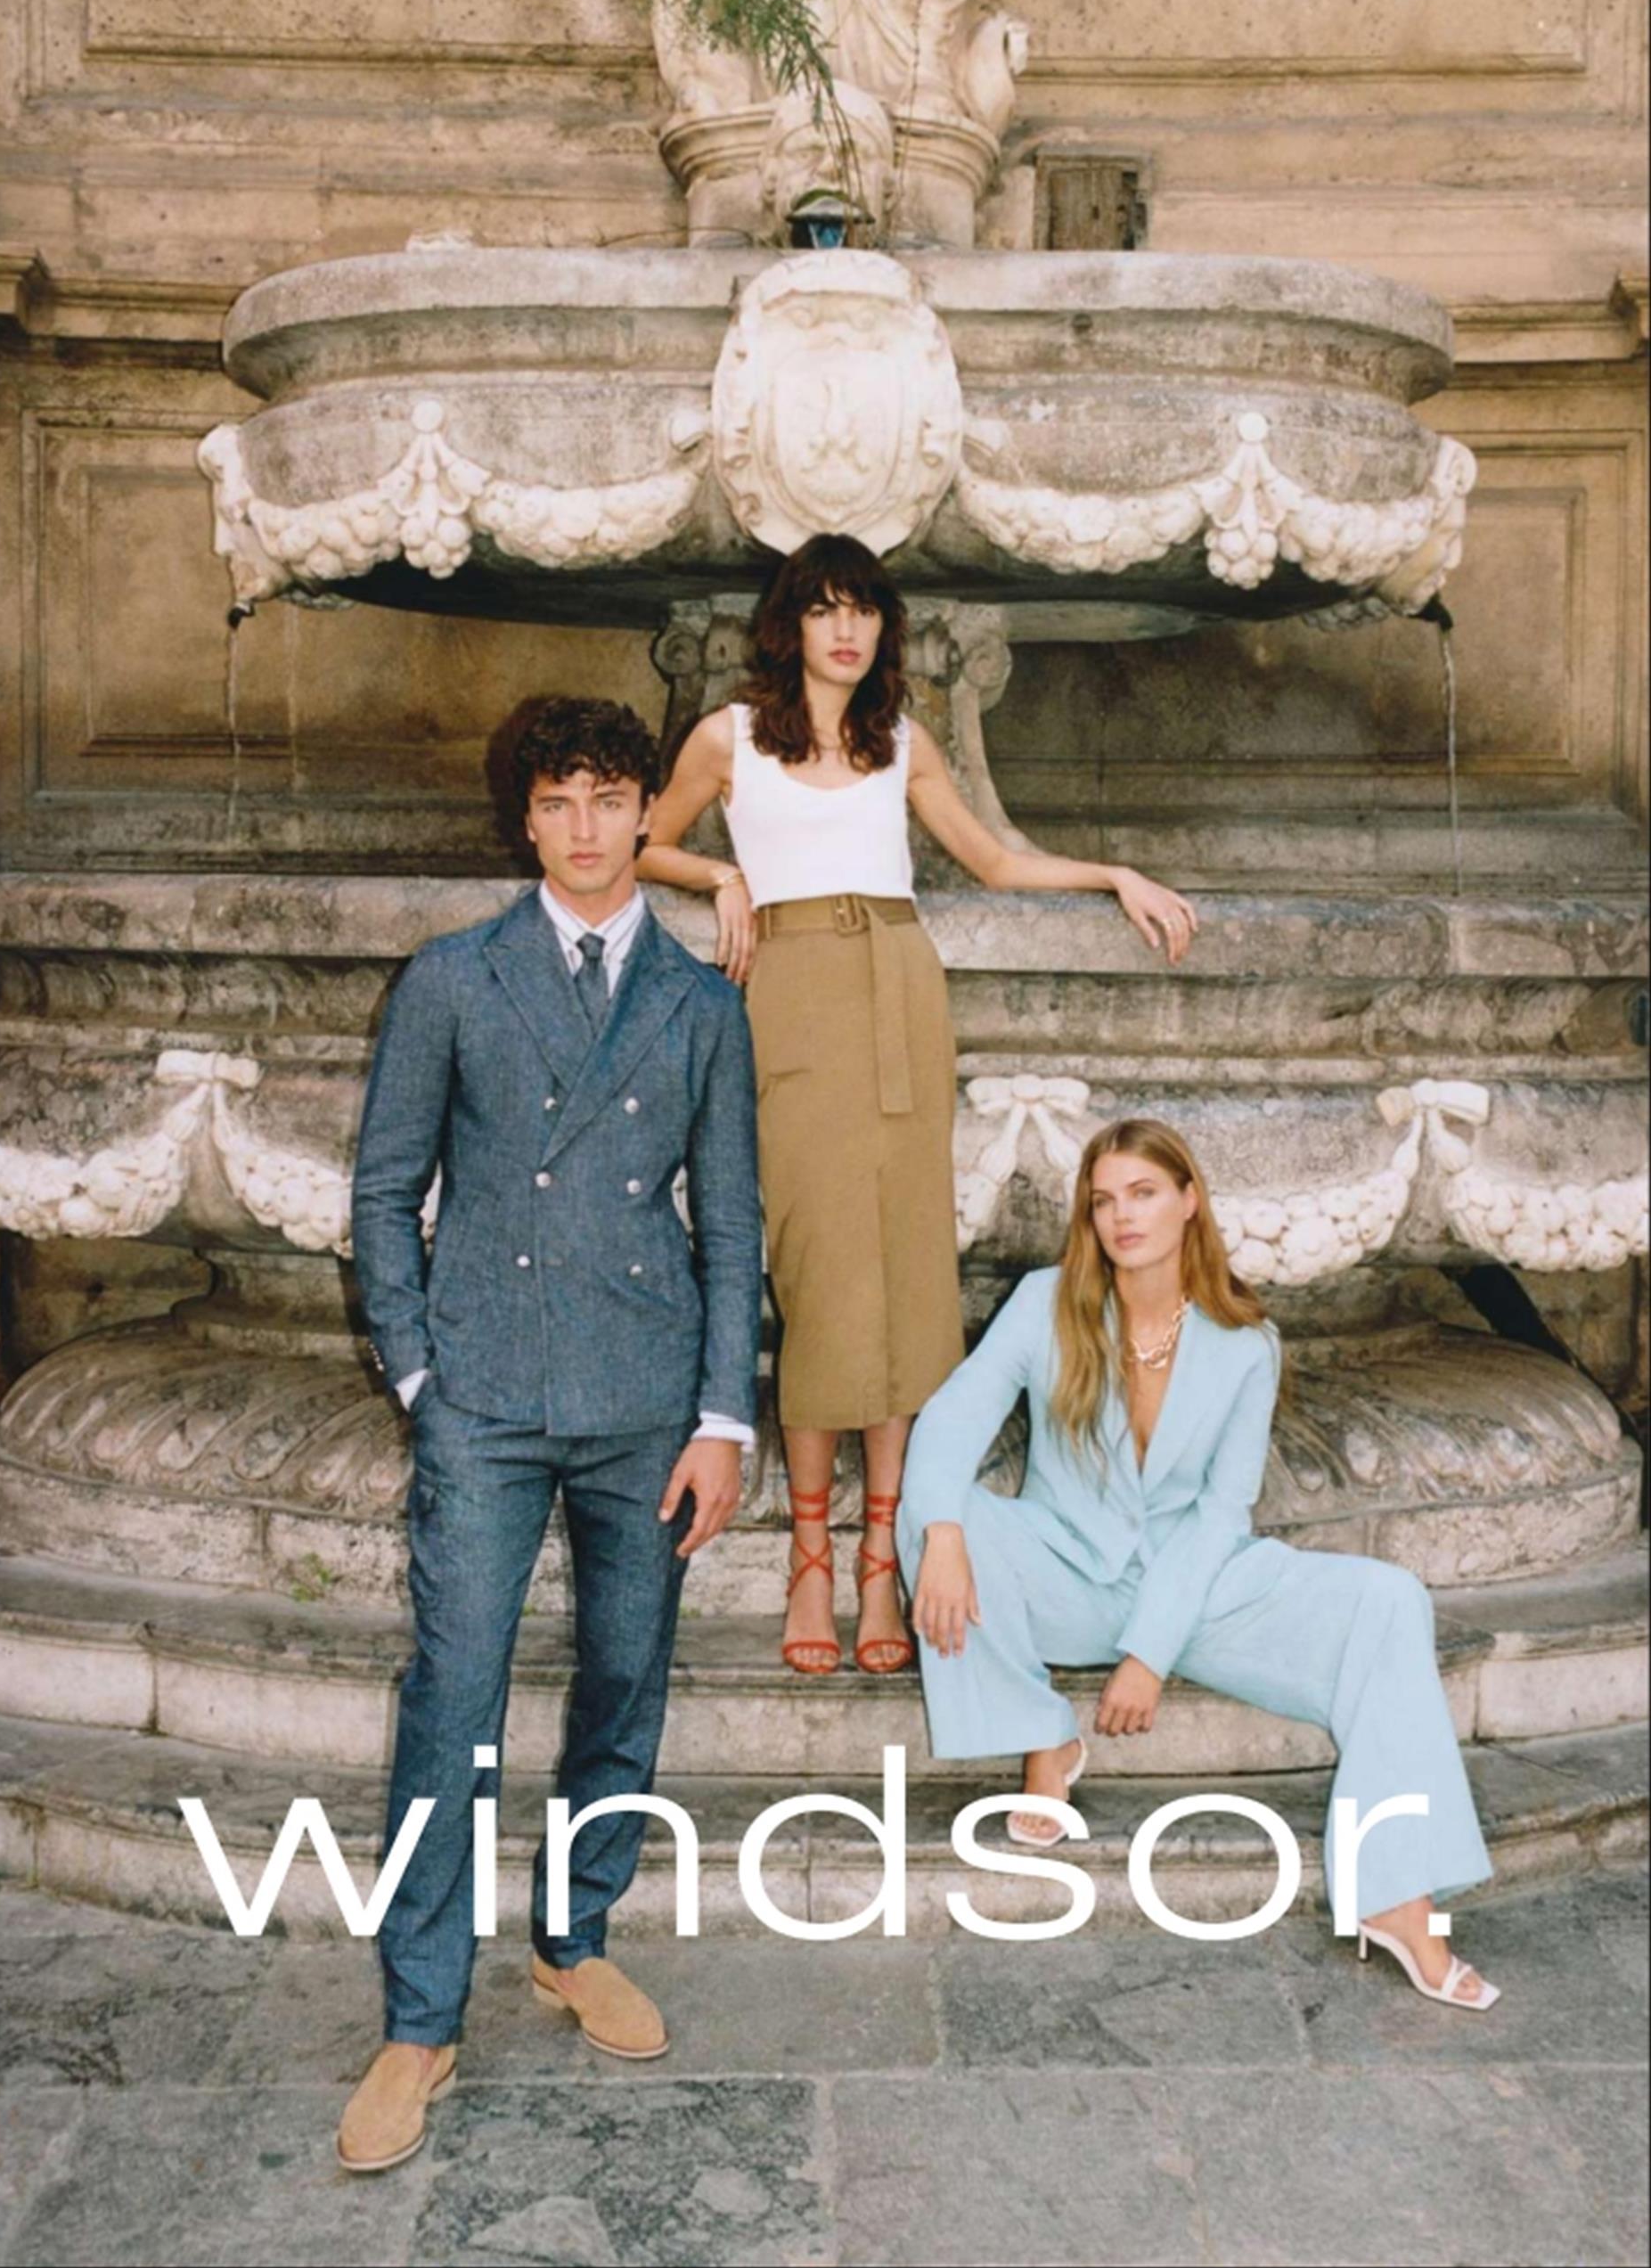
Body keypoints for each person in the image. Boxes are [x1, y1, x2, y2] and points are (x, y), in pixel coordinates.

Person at [640, 534, 1197, 1679]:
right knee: (816, 1276)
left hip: (900, 987)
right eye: (825, 609)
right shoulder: (729, 737)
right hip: (792, 996)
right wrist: (722, 874)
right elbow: (641, 841)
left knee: (905, 1282)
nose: (847, 629)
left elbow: (995, 860)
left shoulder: (900, 741)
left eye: (865, 610)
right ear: (790, 625)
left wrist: (1114, 873)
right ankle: (809, 1556)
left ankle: (880, 1560)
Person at [338, 697, 763, 2172]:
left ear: (648, 812)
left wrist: (723, 1416)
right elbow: (384, 1190)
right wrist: (418, 1376)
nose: (585, 826)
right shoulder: (454, 980)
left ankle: (574, 1940)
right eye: (558, 799)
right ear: (526, 819)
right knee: (451, 1701)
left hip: (645, 1402)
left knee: (624, 1681)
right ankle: (419, 2019)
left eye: (609, 797)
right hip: (487, 1400)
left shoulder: (702, 1003)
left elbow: (733, 1226)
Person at [897, 1117, 1500, 2010]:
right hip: (1063, 1565)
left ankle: (1396, 1897)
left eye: (1143, 1193)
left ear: (1188, 1201)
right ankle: (1044, 1735)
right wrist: (947, 1532)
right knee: (933, 1520)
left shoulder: (1245, 1342)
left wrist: (1149, 1652)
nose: (1122, 1216)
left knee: (1389, 1600)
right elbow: (951, 1420)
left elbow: (1221, 1517)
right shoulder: (1045, 1301)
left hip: (1197, 1583)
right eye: (1104, 1200)